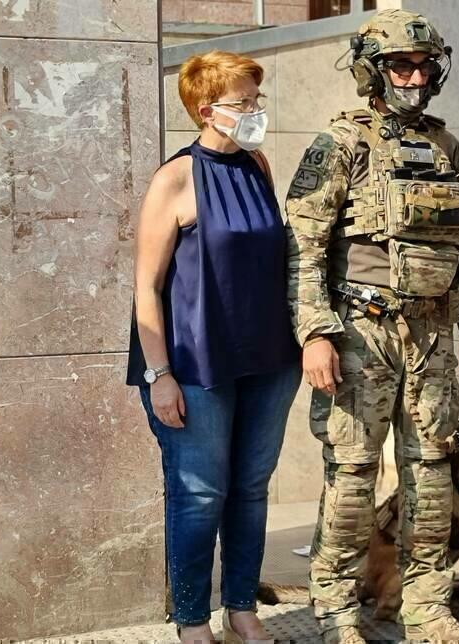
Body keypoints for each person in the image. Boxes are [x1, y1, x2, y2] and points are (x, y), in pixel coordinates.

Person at [285, 9, 459, 644]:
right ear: (372, 72)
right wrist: (316, 332)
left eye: (425, 65)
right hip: (361, 333)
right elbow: (304, 248)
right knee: (352, 476)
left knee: (430, 475)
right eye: (402, 65)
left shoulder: (447, 147)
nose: (415, 76)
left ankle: (426, 607)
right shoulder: (340, 144)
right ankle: (337, 611)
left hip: (432, 337)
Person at [127, 51, 301, 644]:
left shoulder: (257, 164)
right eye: (244, 102)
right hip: (197, 364)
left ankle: (243, 609)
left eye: (258, 99)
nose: (256, 111)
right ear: (206, 110)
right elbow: (146, 289)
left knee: (251, 488)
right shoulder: (173, 179)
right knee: (200, 493)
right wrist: (159, 376)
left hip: (270, 359)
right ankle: (193, 622)